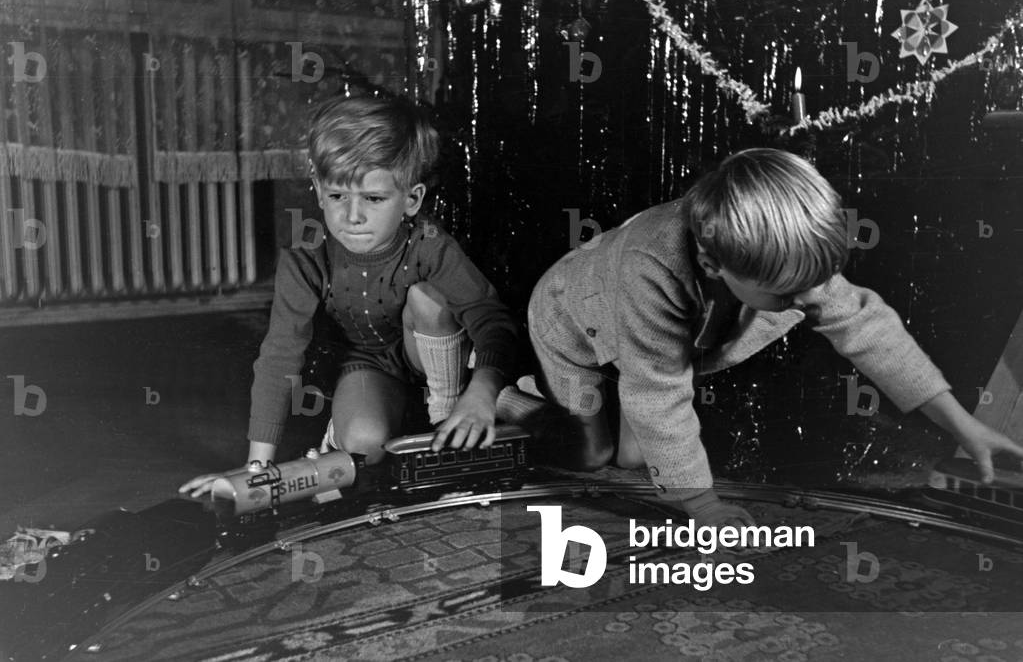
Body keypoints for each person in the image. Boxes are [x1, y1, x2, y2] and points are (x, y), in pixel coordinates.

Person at [526, 147, 1023, 527]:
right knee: (592, 456)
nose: (810, 300)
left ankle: (622, 394)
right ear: (711, 265)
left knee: (637, 459)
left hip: (648, 341)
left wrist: (962, 425)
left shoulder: (789, 262)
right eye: (789, 295)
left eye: (817, 284)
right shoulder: (648, 269)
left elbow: (872, 333)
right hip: (572, 322)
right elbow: (657, 391)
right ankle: (517, 398)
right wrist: (702, 506)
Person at [180, 96, 518, 497]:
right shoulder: (305, 261)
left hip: (444, 365)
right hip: (374, 366)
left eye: (373, 199)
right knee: (364, 445)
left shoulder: (431, 245)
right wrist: (257, 468)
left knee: (429, 298)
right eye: (338, 196)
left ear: (412, 199)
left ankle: (445, 426)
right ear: (319, 193)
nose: (353, 216)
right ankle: (344, 441)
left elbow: (491, 319)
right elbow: (279, 357)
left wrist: (480, 393)